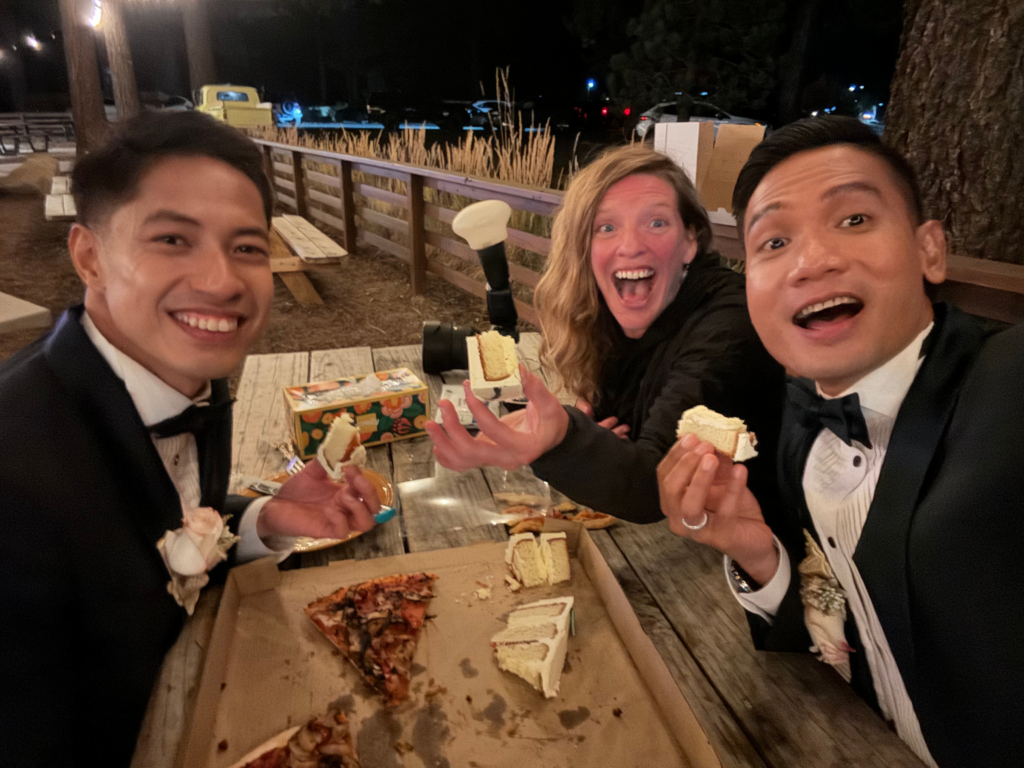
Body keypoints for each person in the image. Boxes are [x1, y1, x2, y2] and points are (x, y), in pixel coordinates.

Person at [0, 112, 383, 768]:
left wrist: (267, 518)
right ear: (89, 256)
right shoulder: (14, 467)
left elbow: (155, 533)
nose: (222, 281)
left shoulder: (191, 384)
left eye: (247, 247)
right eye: (173, 239)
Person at [657, 116, 1024, 767]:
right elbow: (851, 631)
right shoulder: (800, 419)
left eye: (853, 219)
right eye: (773, 241)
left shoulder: (1006, 386)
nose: (812, 260)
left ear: (930, 250)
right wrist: (759, 555)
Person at [425, 144, 784, 521]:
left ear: (690, 240)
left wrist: (563, 437)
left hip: (758, 554)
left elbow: (655, 488)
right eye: (606, 227)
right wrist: (594, 439)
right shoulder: (613, 314)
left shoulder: (730, 324)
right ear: (584, 246)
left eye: (656, 223)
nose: (630, 246)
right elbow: (619, 435)